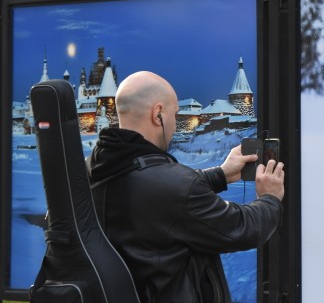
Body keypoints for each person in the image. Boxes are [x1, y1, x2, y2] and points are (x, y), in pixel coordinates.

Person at [86, 71, 284, 303]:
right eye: (175, 114)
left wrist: (220, 175)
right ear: (157, 113)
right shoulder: (174, 186)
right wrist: (270, 197)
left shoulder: (94, 170)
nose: (175, 123)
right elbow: (243, 228)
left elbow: (155, 192)